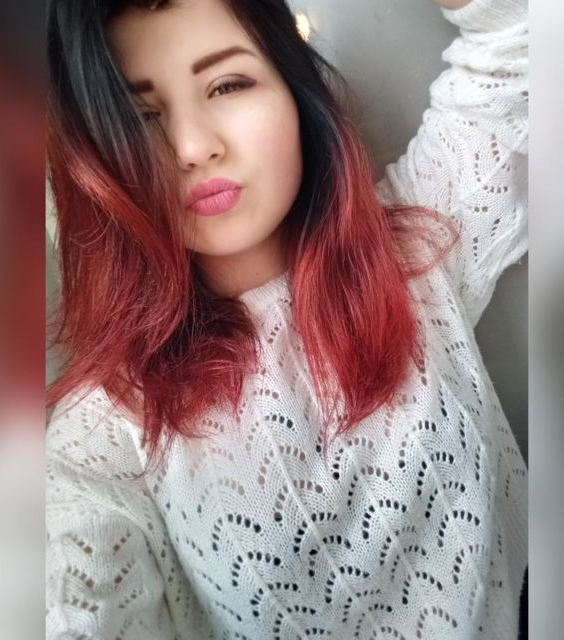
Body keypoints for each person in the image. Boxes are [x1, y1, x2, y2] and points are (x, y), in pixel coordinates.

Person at [45, 0, 528, 638]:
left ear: (295, 91)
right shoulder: (102, 436)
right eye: (138, 118)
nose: (193, 148)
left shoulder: (411, 252)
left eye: (228, 85)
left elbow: (523, 51)